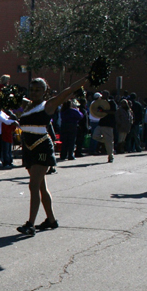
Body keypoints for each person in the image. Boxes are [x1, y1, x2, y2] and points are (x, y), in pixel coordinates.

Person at [16, 77, 86, 236]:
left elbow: (68, 91)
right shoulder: (26, 105)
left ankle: (30, 224)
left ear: (45, 91)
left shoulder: (49, 104)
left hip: (42, 146)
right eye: (32, 89)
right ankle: (51, 220)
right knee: (40, 186)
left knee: (33, 185)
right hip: (28, 147)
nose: (34, 93)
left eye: (38, 90)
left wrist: (87, 77)